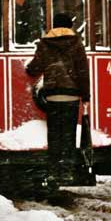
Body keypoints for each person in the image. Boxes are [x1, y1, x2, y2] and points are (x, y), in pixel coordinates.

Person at [26, 13, 90, 180]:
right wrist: (86, 96)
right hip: (72, 97)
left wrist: (30, 68)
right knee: (68, 136)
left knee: (54, 135)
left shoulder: (45, 44)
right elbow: (83, 72)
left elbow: (34, 68)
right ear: (70, 26)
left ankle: (54, 171)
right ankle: (67, 171)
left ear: (53, 26)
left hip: (53, 96)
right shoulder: (77, 43)